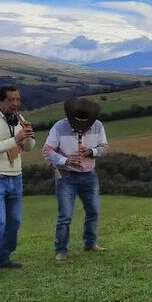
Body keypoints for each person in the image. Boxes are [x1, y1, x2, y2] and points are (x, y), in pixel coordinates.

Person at [0, 86, 35, 278]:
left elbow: (28, 147)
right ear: (0, 100)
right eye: (11, 100)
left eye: (18, 100)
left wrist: (28, 136)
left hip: (15, 176)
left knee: (14, 221)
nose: (16, 104)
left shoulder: (20, 120)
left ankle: (4, 257)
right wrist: (15, 139)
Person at [42, 97, 108, 260]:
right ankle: (61, 250)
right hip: (66, 177)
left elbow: (104, 148)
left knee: (93, 211)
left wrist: (92, 151)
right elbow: (47, 151)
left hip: (89, 175)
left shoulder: (98, 126)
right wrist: (65, 160)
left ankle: (90, 243)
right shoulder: (59, 127)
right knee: (65, 215)